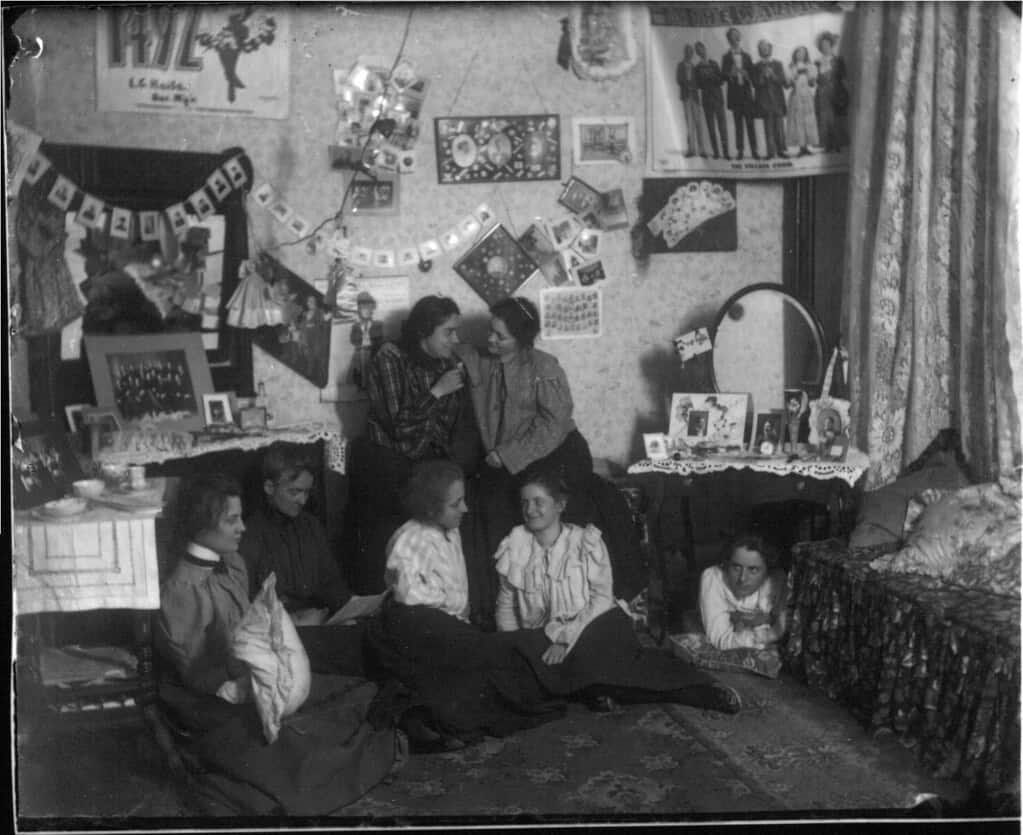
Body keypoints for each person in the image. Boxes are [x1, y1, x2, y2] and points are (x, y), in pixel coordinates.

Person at [155, 473, 398, 814]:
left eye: (241, 517)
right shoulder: (183, 591)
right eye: (231, 520)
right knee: (301, 748)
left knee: (362, 693)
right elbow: (197, 675)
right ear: (200, 524)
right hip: (212, 702)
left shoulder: (233, 564)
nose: (241, 527)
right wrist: (247, 687)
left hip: (253, 681)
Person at [454, 296, 645, 631]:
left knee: (563, 507)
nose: (491, 340)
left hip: (556, 450)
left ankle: (576, 603)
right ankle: (509, 608)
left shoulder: (544, 366)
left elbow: (553, 425)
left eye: (501, 336)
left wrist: (508, 454)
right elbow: (447, 347)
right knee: (492, 507)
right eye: (490, 332)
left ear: (523, 339)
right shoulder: (479, 359)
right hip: (505, 458)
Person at [495, 469, 742, 714]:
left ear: (560, 505)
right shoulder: (515, 544)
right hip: (544, 636)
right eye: (524, 503)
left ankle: (697, 690)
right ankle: (595, 690)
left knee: (602, 655)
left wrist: (564, 639)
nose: (530, 510)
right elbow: (506, 606)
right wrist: (517, 645)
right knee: (532, 675)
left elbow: (601, 600)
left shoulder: (586, 542)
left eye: (539, 502)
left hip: (592, 626)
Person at [363, 460, 566, 749]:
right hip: (412, 625)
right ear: (432, 508)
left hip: (443, 625)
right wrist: (448, 604)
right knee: (488, 655)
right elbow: (407, 596)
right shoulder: (410, 538)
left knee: (486, 666)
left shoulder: (451, 530)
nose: (465, 509)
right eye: (456, 503)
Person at [346, 295, 478, 594]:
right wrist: (437, 391)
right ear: (423, 333)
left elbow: (447, 427)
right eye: (448, 332)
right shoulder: (388, 357)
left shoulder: (449, 362)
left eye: (456, 332)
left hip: (422, 464)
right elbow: (399, 427)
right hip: (385, 463)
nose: (455, 339)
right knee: (386, 558)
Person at [239, 442, 373, 675]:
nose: (302, 500)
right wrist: (294, 620)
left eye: (307, 492)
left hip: (321, 622)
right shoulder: (250, 535)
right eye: (294, 492)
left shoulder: (310, 526)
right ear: (269, 487)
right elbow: (249, 605)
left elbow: (330, 582)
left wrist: (355, 607)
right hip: (280, 632)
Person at [698, 533, 788, 651]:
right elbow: (721, 640)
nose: (742, 578)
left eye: (753, 570)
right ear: (726, 564)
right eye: (736, 567)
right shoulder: (713, 578)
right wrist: (768, 635)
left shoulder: (777, 580)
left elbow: (786, 631)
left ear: (767, 572)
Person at [721, 27, 759, 161]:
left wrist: (747, 74)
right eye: (732, 36)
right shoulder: (725, 57)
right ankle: (740, 151)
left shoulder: (747, 56)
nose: (735, 38)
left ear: (740, 38)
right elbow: (723, 76)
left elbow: (754, 76)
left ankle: (754, 151)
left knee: (750, 124)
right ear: (728, 39)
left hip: (746, 94)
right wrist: (730, 74)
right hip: (735, 95)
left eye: (736, 36)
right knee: (738, 125)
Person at [753, 39, 788, 160]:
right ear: (759, 51)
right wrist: (762, 75)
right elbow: (755, 83)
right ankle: (770, 152)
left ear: (770, 49)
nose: (764, 50)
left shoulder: (778, 64)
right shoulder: (756, 66)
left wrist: (773, 75)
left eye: (766, 47)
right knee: (768, 127)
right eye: (762, 48)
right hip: (764, 101)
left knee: (779, 126)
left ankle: (781, 151)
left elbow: (783, 81)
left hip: (777, 100)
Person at [815, 31, 849, 153]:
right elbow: (816, 79)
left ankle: (837, 144)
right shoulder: (817, 62)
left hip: (835, 90)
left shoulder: (838, 60)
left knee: (836, 118)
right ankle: (827, 145)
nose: (825, 47)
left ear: (831, 45)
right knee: (824, 118)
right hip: (822, 92)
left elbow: (844, 76)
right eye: (822, 45)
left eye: (827, 45)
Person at [694, 41, 728, 160]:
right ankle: (716, 153)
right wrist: (703, 79)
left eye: (701, 49)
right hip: (707, 100)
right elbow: (697, 85)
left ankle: (726, 152)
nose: (700, 52)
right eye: (698, 51)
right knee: (711, 128)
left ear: (705, 49)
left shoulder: (714, 64)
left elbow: (722, 80)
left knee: (722, 127)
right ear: (697, 53)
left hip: (718, 99)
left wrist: (712, 76)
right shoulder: (697, 68)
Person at [786, 45, 819, 156]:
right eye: (798, 52)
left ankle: (808, 146)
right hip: (796, 96)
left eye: (803, 53)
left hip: (807, 96)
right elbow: (788, 84)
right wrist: (796, 74)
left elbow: (812, 83)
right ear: (795, 54)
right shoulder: (791, 67)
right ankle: (801, 147)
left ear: (806, 54)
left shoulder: (810, 66)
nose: (800, 55)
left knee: (808, 121)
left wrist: (809, 75)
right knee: (797, 121)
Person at [676, 43, 708, 158]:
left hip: (695, 97)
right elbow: (679, 80)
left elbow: (699, 83)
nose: (689, 54)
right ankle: (691, 150)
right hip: (686, 97)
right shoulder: (680, 65)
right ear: (685, 53)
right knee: (689, 124)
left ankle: (702, 149)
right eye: (688, 52)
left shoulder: (695, 67)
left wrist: (693, 87)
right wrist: (687, 85)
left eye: (691, 52)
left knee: (699, 123)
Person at [349, 290, 383, 389]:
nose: (366, 311)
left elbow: (380, 339)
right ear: (358, 310)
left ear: (372, 309)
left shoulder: (378, 324)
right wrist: (360, 341)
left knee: (372, 369)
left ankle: (372, 385)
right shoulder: (356, 326)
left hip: (373, 351)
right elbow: (353, 340)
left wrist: (372, 342)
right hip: (360, 352)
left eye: (369, 307)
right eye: (363, 308)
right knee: (360, 368)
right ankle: (362, 384)